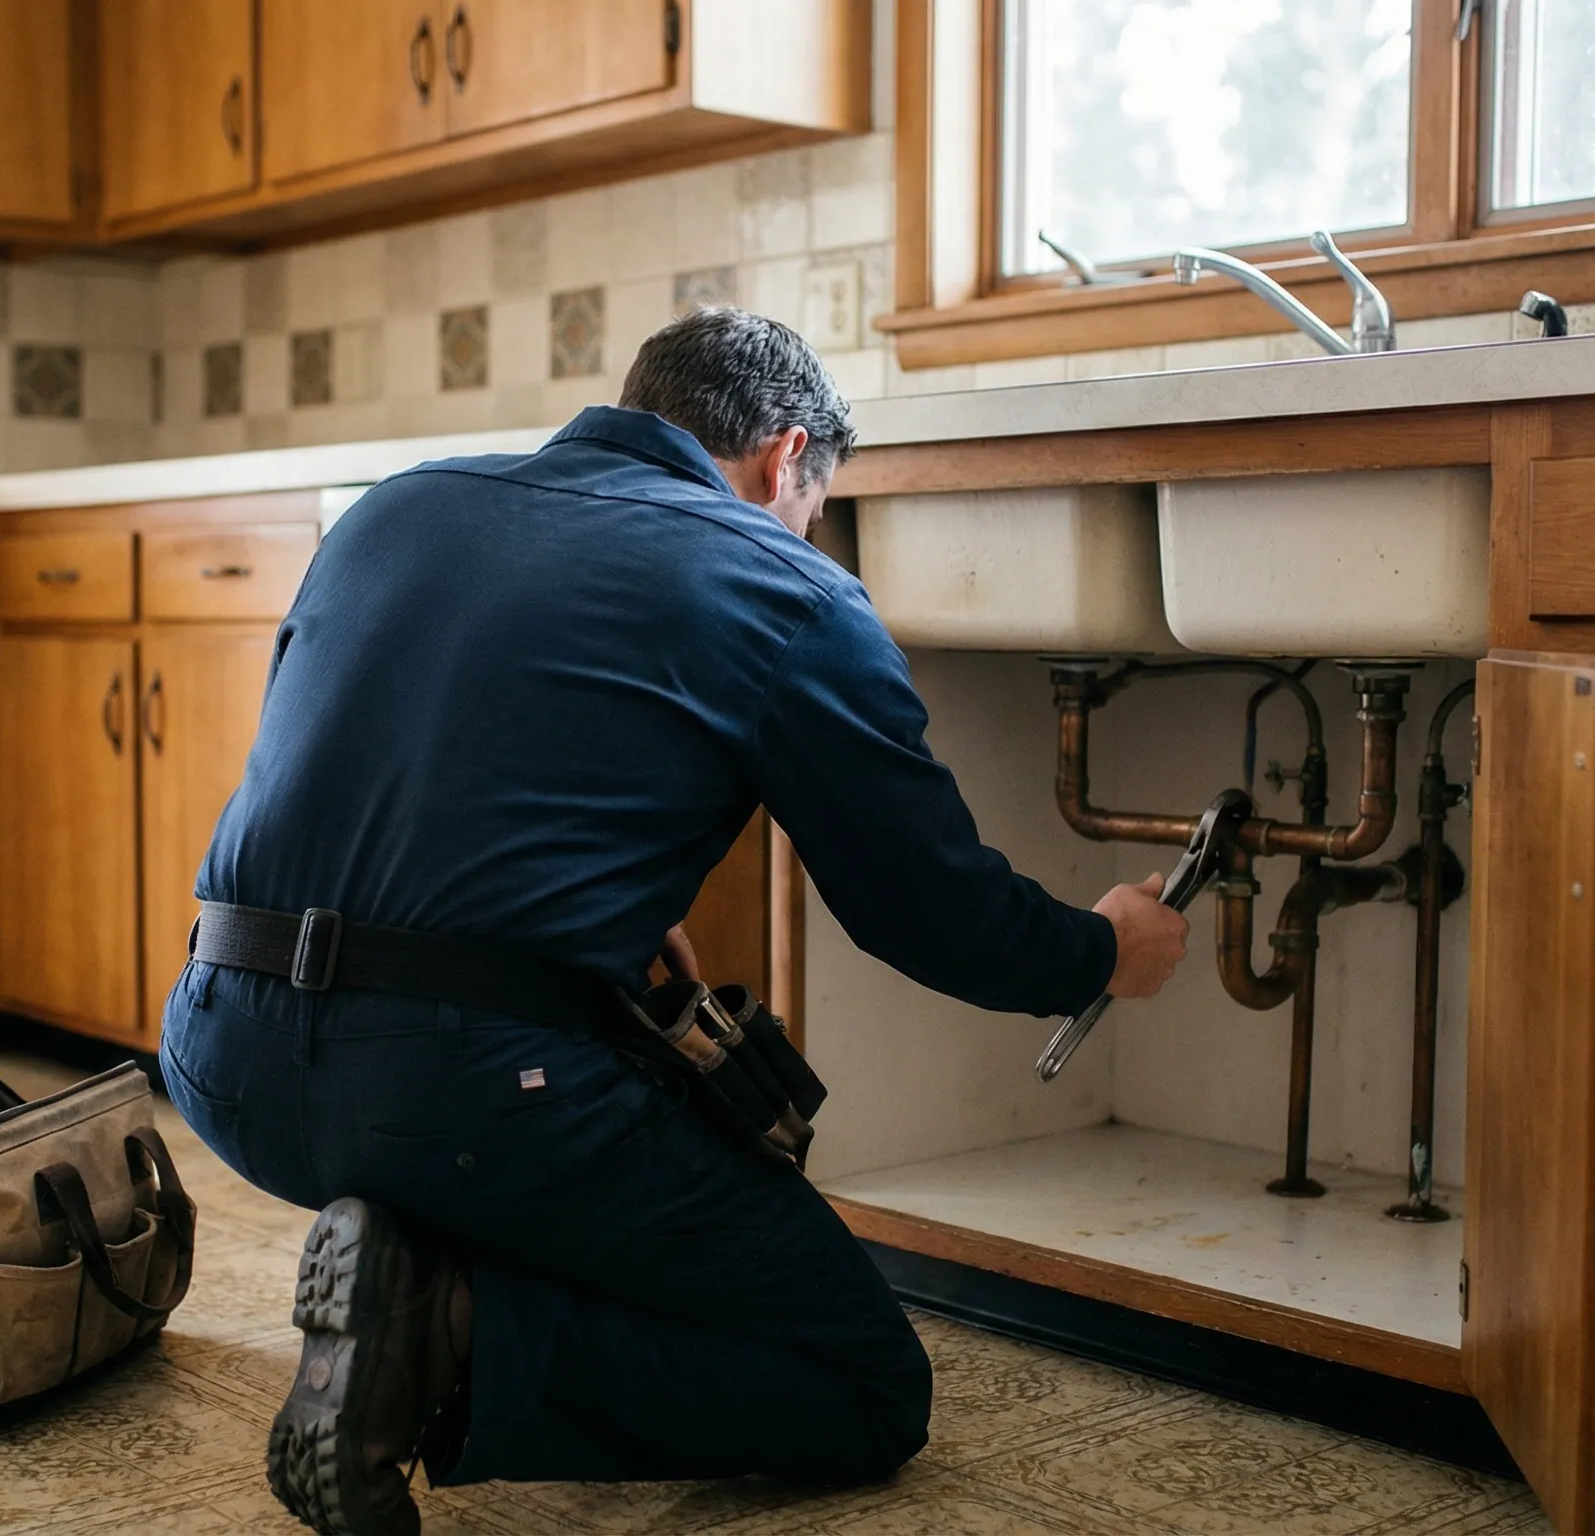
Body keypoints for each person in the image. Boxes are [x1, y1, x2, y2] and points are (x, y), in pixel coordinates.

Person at [157, 308, 1191, 1536]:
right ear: (784, 457)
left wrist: (589, 921)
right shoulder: (783, 583)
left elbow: (379, 774)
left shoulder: (397, 505)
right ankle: (441, 1336)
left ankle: (413, 1265)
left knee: (481, 1129)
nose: (808, 532)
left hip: (219, 1056)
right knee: (865, 1385)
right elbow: (924, 905)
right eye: (812, 504)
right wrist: (1099, 949)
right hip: (453, 1089)